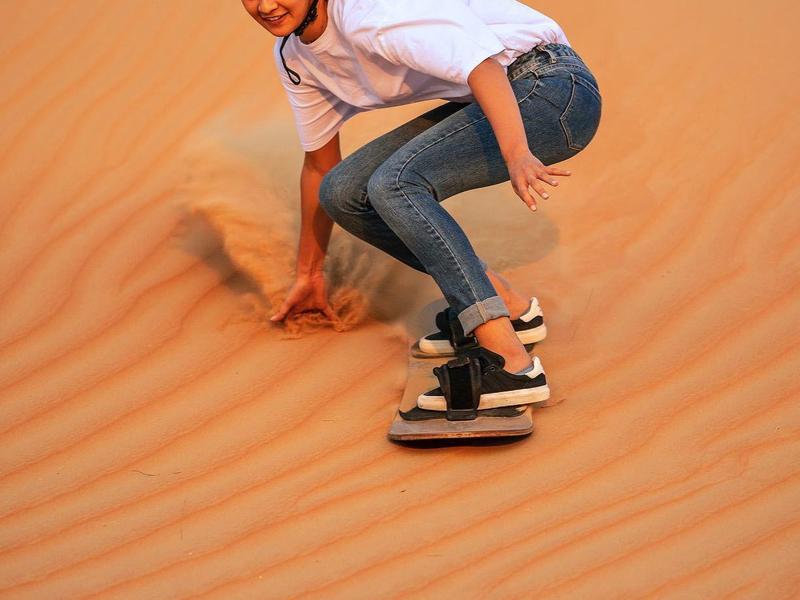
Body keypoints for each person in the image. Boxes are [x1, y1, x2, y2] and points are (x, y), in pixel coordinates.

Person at [241, 0, 601, 408]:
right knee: (344, 192)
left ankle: (511, 364)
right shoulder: (295, 58)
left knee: (394, 184)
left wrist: (517, 152)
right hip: (501, 95)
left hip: (551, 89)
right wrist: (310, 273)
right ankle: (509, 308)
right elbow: (320, 168)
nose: (265, 5)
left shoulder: (368, 13)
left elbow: (482, 65)